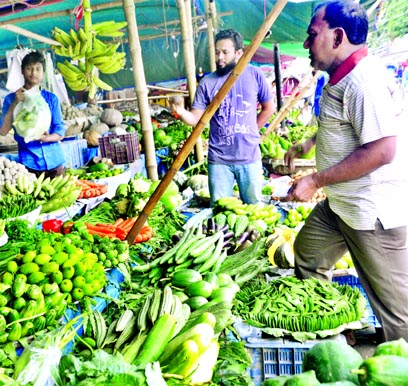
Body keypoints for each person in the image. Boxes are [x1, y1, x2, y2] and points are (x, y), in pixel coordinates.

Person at [284, 0, 408, 341]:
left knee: (397, 310)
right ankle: (329, 324)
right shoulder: (343, 79)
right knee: (309, 254)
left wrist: (316, 179)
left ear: (337, 37)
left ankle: (397, 359)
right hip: (343, 206)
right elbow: (347, 126)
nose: (307, 45)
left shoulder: (363, 83)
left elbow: (382, 150)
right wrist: (309, 144)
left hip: (372, 212)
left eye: (312, 35)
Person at [171, 29, 275, 207]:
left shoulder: (254, 75)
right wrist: (181, 112)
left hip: (249, 157)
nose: (220, 57)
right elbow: (196, 118)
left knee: (255, 209)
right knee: (219, 211)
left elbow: (269, 108)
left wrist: (252, 129)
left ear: (239, 53)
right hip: (219, 160)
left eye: (225, 52)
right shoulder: (208, 83)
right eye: (217, 52)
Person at [0, 51, 66, 178]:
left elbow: (60, 131)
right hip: (29, 165)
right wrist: (14, 103)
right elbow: (2, 131)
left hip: (55, 162)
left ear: (43, 72)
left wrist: (44, 138)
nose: (33, 73)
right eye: (29, 68)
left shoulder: (51, 99)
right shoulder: (11, 99)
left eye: (37, 69)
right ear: (22, 71)